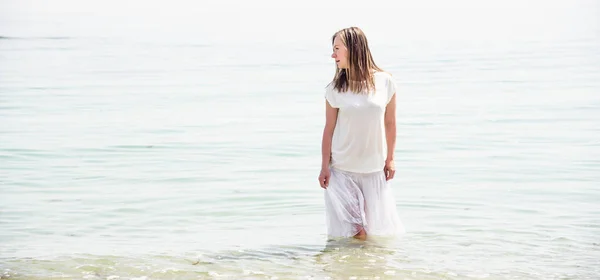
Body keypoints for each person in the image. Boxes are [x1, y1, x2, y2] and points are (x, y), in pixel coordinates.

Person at [318, 27, 405, 241]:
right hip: (341, 170)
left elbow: (390, 123)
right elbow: (328, 129)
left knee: (375, 232)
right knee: (357, 231)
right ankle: (356, 270)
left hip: (373, 169)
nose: (333, 55)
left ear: (353, 49)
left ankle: (368, 270)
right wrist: (323, 166)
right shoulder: (334, 89)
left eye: (337, 49)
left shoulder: (385, 82)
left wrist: (391, 159)